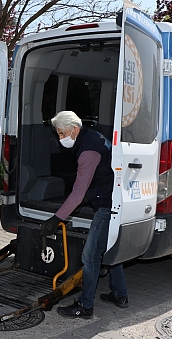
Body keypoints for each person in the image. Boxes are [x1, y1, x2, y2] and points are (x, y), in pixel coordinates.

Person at [41, 111, 128, 319]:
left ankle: (85, 306)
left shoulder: (88, 150)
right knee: (110, 248)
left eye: (63, 134)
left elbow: (78, 193)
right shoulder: (92, 137)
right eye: (59, 135)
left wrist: (56, 218)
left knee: (89, 256)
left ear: (75, 129)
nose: (61, 139)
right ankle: (120, 294)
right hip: (113, 199)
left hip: (108, 205)